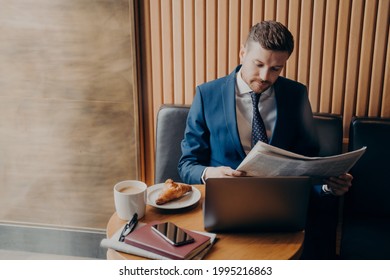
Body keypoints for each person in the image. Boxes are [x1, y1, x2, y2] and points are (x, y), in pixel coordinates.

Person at [178, 20, 352, 259]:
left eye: (276, 69)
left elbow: (308, 160)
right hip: (224, 210)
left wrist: (328, 186)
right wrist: (210, 174)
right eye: (258, 64)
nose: (264, 76)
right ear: (242, 53)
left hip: (281, 210)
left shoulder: (296, 95)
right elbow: (186, 165)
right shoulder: (207, 95)